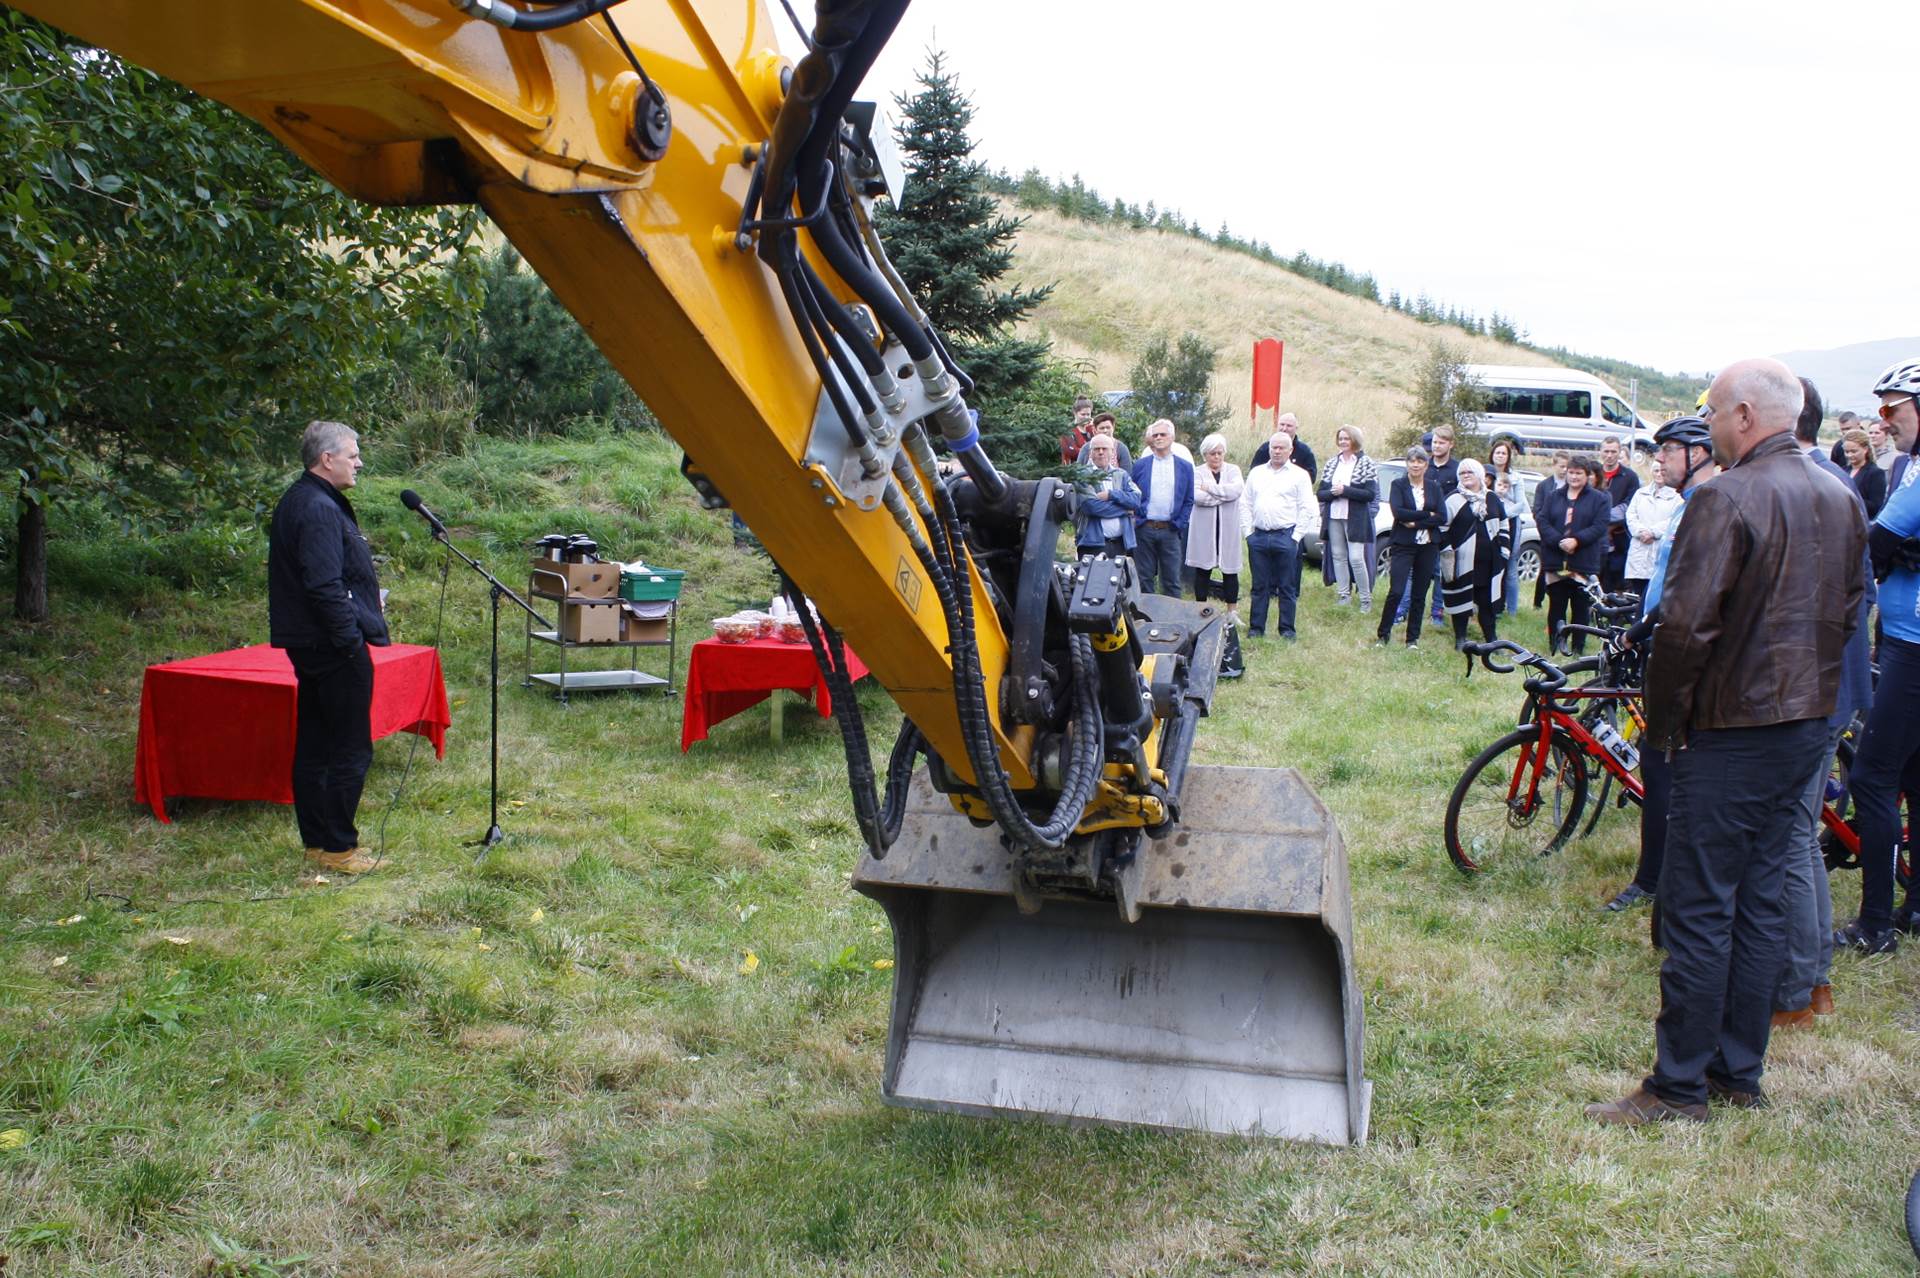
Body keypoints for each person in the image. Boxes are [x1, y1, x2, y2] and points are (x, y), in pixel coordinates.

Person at [1586, 358, 1864, 1126]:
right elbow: (1846, 612)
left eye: (1711, 413)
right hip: (1805, 724)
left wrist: (1665, 725)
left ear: (1745, 415)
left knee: (1702, 905)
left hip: (1736, 726)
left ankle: (1679, 1087)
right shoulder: (1837, 493)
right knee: (1763, 896)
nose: (1704, 425)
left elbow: (1683, 630)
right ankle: (1738, 1072)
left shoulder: (1728, 495)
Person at [1768, 377, 1875, 1026]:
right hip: (1824, 692)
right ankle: (1810, 984)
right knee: (1797, 839)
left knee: (1791, 841)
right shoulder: (1827, 483)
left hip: (1813, 696)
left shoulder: (1815, 487)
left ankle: (1806, 989)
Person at [1598, 417, 1718, 916]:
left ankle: (1653, 881)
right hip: (1663, 642)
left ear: (1700, 453)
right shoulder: (1686, 505)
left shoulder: (1709, 507)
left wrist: (1639, 632)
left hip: (1683, 652)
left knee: (1663, 763)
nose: (1660, 459)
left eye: (1670, 449)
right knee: (1661, 764)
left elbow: (1688, 594)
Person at [268, 420, 392, 876]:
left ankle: (318, 844)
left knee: (316, 744)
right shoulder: (318, 508)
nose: (359, 462)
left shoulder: (303, 499)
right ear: (327, 459)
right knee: (349, 748)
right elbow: (322, 585)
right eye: (353, 454)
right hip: (329, 644)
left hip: (311, 641)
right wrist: (348, 638)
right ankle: (340, 847)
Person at [1835, 356, 1920, 955]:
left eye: (1892, 409)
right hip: (1901, 636)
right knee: (1915, 776)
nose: (1883, 422)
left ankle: (1875, 925)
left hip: (1912, 647)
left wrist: (1894, 554)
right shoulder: (1906, 466)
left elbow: (1872, 542)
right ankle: (1914, 908)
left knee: (1871, 776)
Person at [1239, 432, 1316, 640]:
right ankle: (1256, 628)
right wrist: (1248, 533)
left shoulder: (1299, 475)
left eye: (1282, 448)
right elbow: (1245, 503)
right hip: (1259, 537)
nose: (1277, 451)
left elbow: (1307, 508)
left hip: (1286, 536)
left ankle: (1287, 630)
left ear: (1290, 451)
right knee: (1259, 586)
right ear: (1269, 448)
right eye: (1274, 447)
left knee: (1287, 586)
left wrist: (1296, 537)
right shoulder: (1256, 473)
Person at [1535, 455, 1609, 654]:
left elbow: (1600, 525)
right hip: (1556, 560)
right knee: (1556, 606)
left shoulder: (1599, 499)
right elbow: (1542, 521)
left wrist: (1577, 540)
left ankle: (1577, 648)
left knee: (1580, 607)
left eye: (1579, 473)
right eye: (1571, 472)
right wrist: (1559, 541)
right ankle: (1555, 645)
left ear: (1587, 476)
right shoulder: (1553, 496)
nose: (1574, 477)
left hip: (1583, 562)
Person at [1375, 445, 1446, 649]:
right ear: (1407, 464)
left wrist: (1416, 522)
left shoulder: (1434, 487)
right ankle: (1383, 634)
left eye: (1420, 461)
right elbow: (1399, 513)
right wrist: (1427, 515)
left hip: (1428, 545)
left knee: (1419, 594)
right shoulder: (1398, 484)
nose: (1415, 465)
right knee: (1396, 591)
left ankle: (1412, 639)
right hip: (1403, 544)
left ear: (1426, 464)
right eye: (1412, 461)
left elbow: (1442, 516)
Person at [1438, 458, 1510, 647]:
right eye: (1462, 473)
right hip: (1461, 563)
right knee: (1461, 600)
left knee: (1487, 603)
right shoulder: (1453, 499)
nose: (1466, 475)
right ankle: (1460, 638)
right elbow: (1441, 529)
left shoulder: (1492, 498)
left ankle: (1492, 640)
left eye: (1470, 472)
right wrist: (1447, 552)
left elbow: (1503, 523)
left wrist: (1504, 550)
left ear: (1479, 475)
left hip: (1489, 563)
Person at [1128, 418, 1195, 597]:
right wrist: (1137, 519)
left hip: (1170, 530)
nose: (1158, 438)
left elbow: (1189, 499)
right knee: (1144, 579)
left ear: (1172, 437)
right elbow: (1132, 493)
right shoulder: (1141, 465)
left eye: (1162, 434)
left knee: (1172, 580)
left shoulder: (1185, 467)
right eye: (1155, 435)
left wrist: (1179, 523)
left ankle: (1171, 621)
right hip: (1145, 529)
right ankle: (1146, 620)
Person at [1316, 425, 1379, 609]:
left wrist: (1345, 490)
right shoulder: (1332, 463)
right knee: (1338, 556)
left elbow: (1369, 494)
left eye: (1347, 438)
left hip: (1356, 518)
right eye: (1341, 438)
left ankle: (1365, 599)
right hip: (1334, 515)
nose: (1343, 442)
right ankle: (1343, 595)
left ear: (1355, 440)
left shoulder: (1366, 462)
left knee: (1357, 558)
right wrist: (1335, 493)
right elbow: (1321, 493)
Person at [1186, 433, 1245, 612]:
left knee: (1230, 571)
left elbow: (1236, 490)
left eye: (1220, 453)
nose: (1217, 457)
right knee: (1203, 571)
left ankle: (1232, 612)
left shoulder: (1233, 470)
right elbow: (1198, 497)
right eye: (1213, 453)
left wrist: (1210, 488)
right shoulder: (1197, 472)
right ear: (1205, 454)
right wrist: (1223, 495)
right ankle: (1201, 610)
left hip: (1228, 528)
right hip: (1204, 529)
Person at [1622, 458, 1682, 598]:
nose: (1659, 474)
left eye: (1662, 471)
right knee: (1638, 593)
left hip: (1659, 547)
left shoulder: (1677, 496)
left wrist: (1653, 532)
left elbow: (1675, 519)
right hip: (1639, 549)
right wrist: (1640, 531)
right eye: (1656, 471)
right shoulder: (1640, 493)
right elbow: (1631, 515)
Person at [1073, 433, 1142, 557]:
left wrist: (1111, 495)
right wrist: (1126, 510)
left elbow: (1136, 500)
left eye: (1104, 449)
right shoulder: (1082, 476)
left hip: (1121, 544)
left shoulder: (1121, 474)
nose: (1101, 452)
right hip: (1092, 545)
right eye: (1096, 449)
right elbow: (1091, 507)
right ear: (1090, 453)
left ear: (1112, 452)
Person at [1596, 435, 1642, 594]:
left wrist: (1606, 519)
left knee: (1618, 579)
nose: (1609, 455)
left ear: (1620, 452)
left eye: (1613, 452)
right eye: (1606, 451)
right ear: (1600, 451)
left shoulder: (1629, 477)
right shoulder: (1593, 474)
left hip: (1620, 536)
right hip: (1596, 536)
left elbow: (1630, 505)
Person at [1488, 441, 1525, 616]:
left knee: (1510, 567)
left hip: (1509, 523)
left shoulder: (1516, 477)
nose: (1500, 456)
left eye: (1504, 453)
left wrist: (1501, 514)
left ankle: (1511, 610)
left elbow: (1520, 505)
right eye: (1497, 452)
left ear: (1508, 456)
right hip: (1488, 524)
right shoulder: (1485, 473)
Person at [1530, 454, 1570, 609]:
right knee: (1546, 568)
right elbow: (1537, 510)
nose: (1564, 470)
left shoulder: (1570, 485)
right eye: (1561, 466)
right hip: (1548, 533)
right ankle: (1538, 601)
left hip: (1566, 534)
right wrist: (1547, 530)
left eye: (1567, 467)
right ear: (1554, 465)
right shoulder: (1544, 486)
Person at [1247, 412, 1318, 478]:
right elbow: (1254, 472)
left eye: (1289, 426)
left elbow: (1311, 477)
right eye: (1282, 424)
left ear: (1296, 428)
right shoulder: (1265, 448)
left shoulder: (1304, 451)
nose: (1284, 429)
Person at [1841, 428, 1887, 519]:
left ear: (1865, 449)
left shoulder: (1875, 473)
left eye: (1854, 451)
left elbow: (1876, 506)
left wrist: (1848, 499)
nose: (1849, 455)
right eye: (1847, 452)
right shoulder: (1843, 470)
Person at [1059, 395, 1095, 464]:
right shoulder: (1068, 431)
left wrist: (1092, 428)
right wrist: (1093, 453)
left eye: (1088, 414)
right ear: (1075, 413)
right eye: (1083, 414)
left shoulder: (1092, 430)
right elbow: (1073, 452)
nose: (1086, 417)